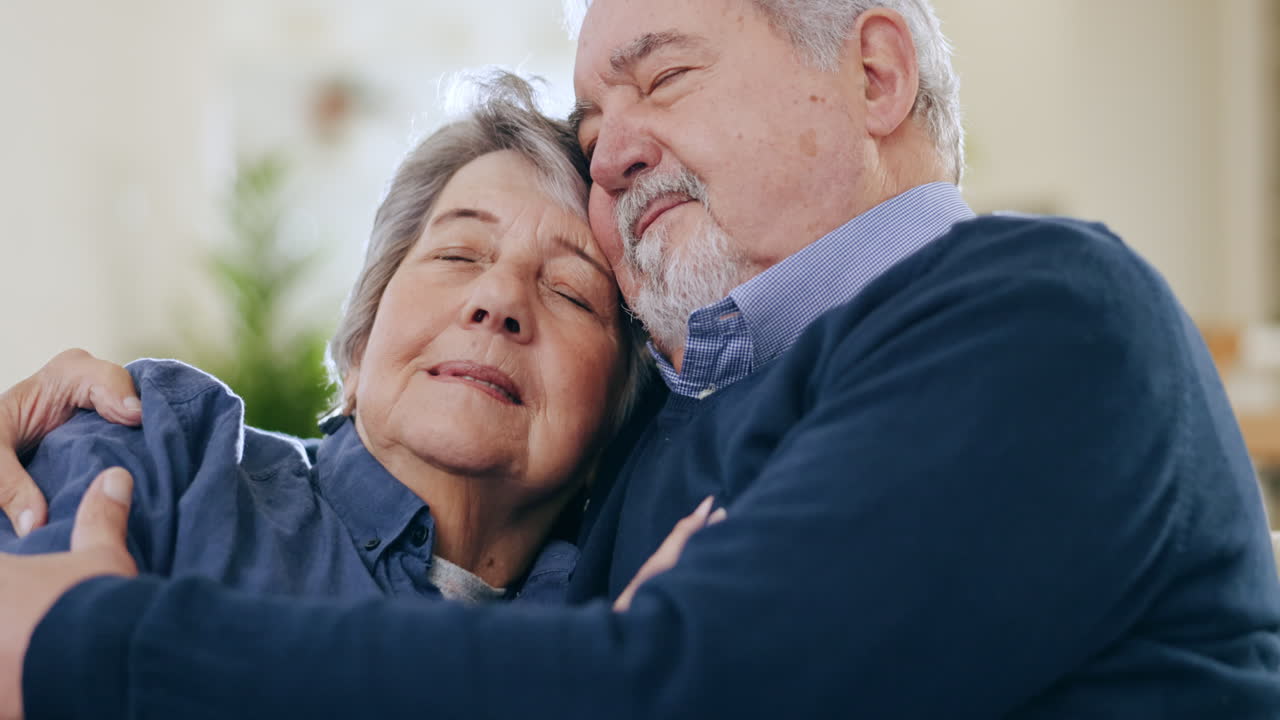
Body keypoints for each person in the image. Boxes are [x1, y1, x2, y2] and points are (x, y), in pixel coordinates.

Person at [2, 0, 1279, 717]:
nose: (610, 149)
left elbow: (673, 691)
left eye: (658, 78)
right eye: (596, 119)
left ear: (874, 72)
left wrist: (93, 646)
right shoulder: (681, 412)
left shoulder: (1042, 314)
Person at [2, 73, 661, 608]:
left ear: (614, 413)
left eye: (571, 292)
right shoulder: (161, 451)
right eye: (459, 254)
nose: (499, 301)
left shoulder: (639, 615)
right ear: (359, 345)